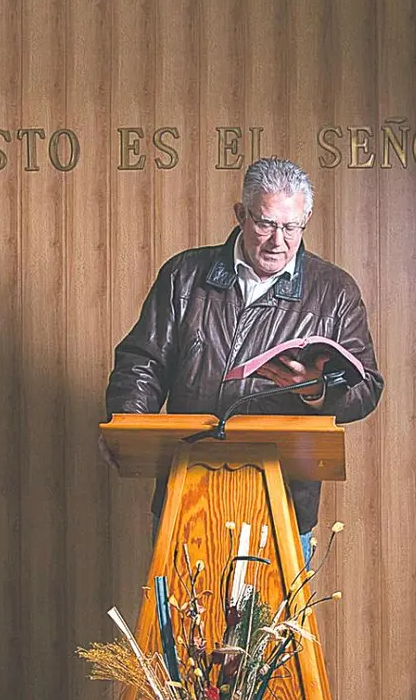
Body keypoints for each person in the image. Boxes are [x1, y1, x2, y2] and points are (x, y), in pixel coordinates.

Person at [104, 157, 382, 561]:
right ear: (241, 214)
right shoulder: (184, 275)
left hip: (283, 497)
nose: (278, 241)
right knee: (182, 624)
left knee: (274, 624)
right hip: (189, 484)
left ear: (305, 222)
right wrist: (126, 424)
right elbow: (143, 361)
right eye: (266, 224)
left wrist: (318, 391)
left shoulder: (335, 291)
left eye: (291, 228)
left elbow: (367, 387)